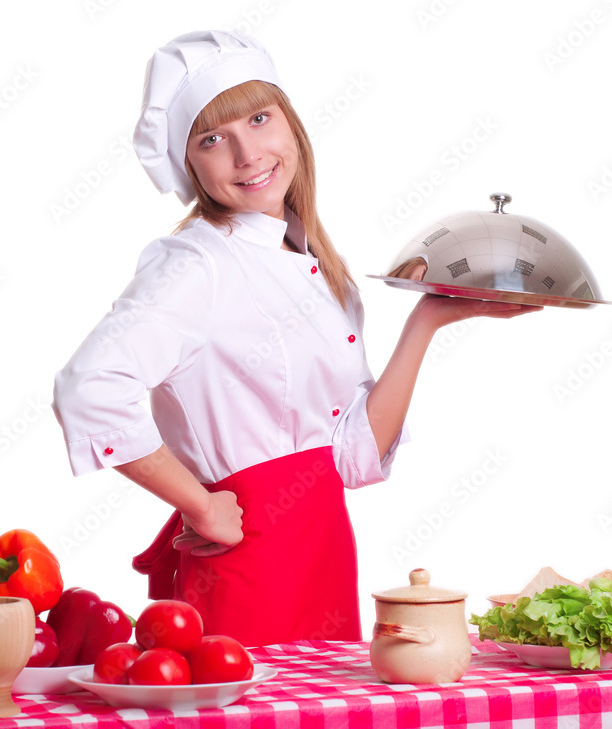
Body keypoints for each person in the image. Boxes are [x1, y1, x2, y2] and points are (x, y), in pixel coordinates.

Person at [52, 30, 538, 647]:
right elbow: (88, 390)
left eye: (259, 118)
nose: (247, 152)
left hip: (324, 546)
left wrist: (427, 320)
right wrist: (199, 505)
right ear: (190, 164)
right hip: (247, 560)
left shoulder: (314, 266)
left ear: (291, 122)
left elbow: (351, 458)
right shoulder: (195, 263)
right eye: (212, 139)